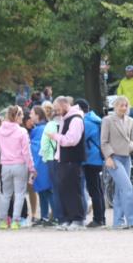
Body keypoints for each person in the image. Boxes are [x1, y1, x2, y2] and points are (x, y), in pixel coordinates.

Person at [47, 96, 86, 230]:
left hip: (72, 159)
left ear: (64, 105)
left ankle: (78, 219)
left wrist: (55, 136)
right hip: (64, 159)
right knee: (64, 190)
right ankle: (68, 219)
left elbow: (72, 140)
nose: (57, 112)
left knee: (73, 190)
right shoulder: (66, 118)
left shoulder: (75, 119)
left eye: (58, 109)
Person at [100, 96, 133, 229]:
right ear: (115, 106)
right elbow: (104, 141)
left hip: (126, 158)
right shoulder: (108, 120)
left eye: (126, 105)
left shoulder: (131, 121)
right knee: (127, 188)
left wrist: (132, 146)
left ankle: (117, 222)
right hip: (114, 158)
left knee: (120, 190)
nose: (124, 108)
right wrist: (108, 157)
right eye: (121, 105)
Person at [0, 106, 35, 229]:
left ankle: (2, 221)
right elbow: (26, 152)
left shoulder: (0, 130)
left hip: (6, 165)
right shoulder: (22, 132)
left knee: (5, 194)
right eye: (21, 115)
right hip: (19, 164)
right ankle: (15, 221)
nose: (23, 117)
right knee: (19, 194)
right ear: (16, 116)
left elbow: (0, 148)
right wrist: (32, 167)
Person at [76, 99, 106, 228]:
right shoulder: (96, 119)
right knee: (98, 189)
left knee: (94, 190)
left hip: (90, 159)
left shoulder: (86, 122)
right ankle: (101, 218)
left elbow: (79, 139)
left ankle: (98, 219)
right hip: (97, 158)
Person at [28, 106, 54, 226]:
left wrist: (34, 167)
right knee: (43, 191)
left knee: (46, 191)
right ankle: (45, 216)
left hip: (41, 164)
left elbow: (36, 149)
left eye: (32, 114)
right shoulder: (43, 127)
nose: (30, 116)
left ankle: (53, 216)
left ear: (38, 115)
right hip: (45, 163)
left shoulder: (39, 129)